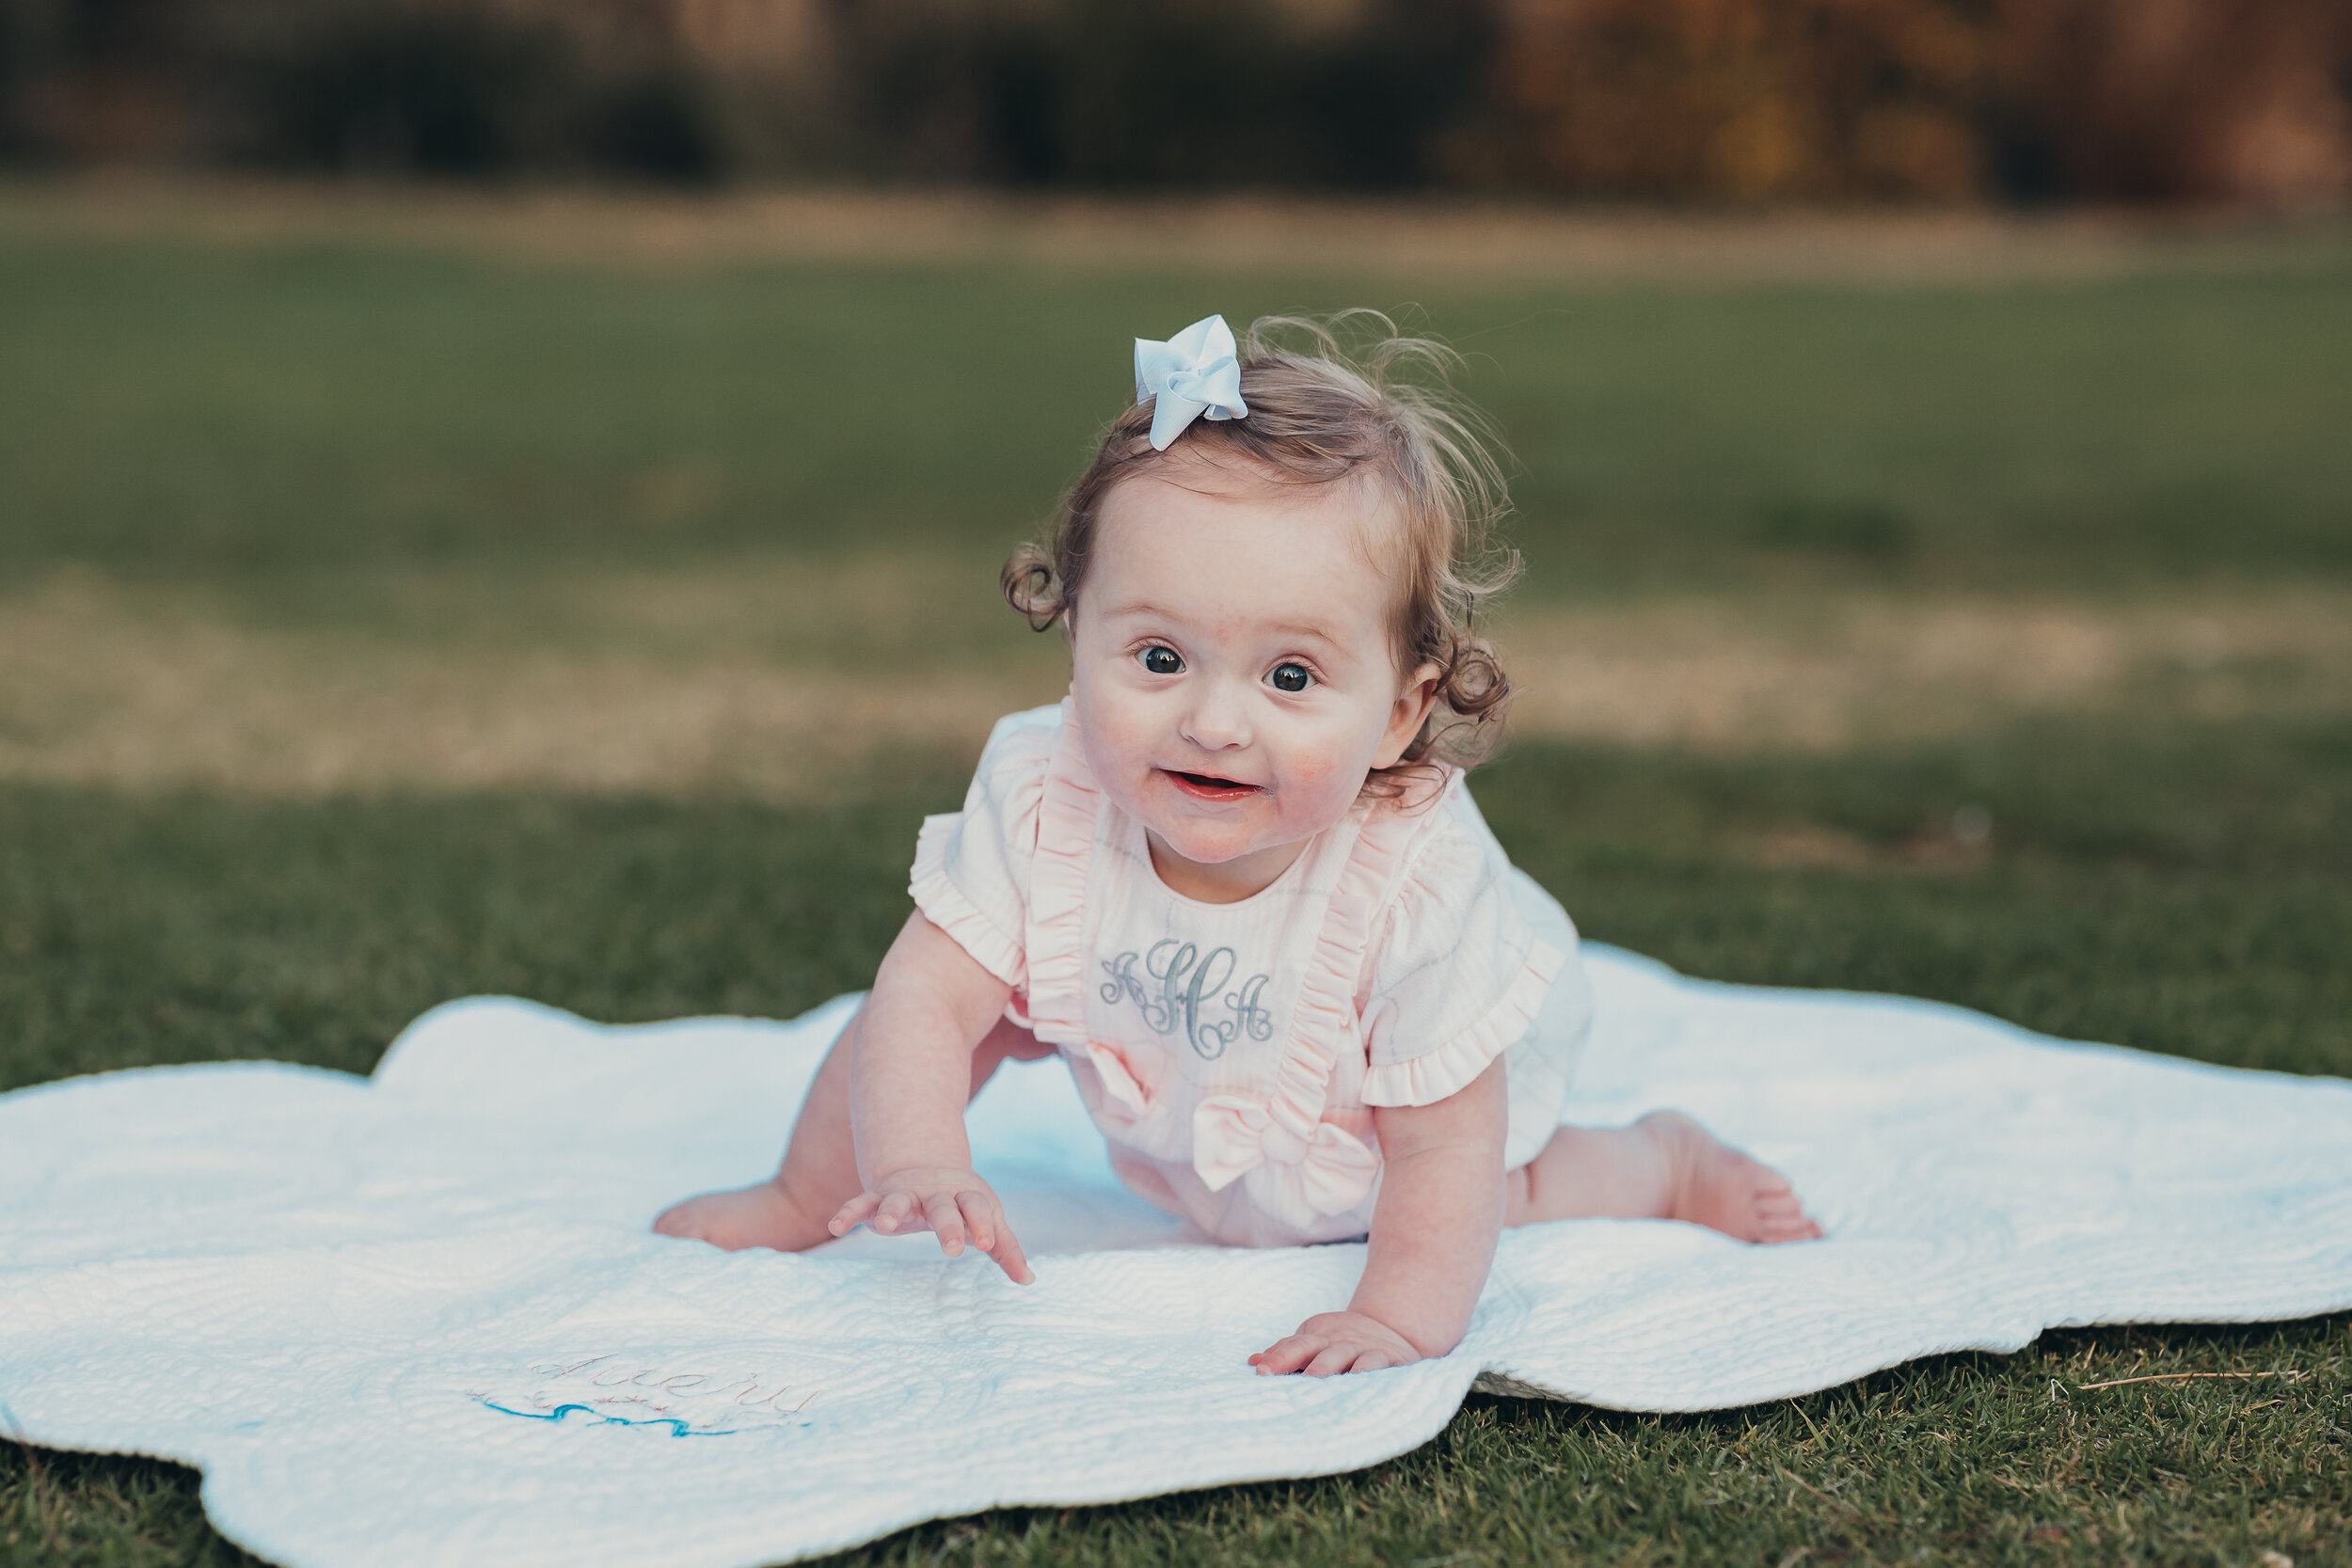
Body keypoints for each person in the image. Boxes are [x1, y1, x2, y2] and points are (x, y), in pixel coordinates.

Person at [656, 312, 1820, 1377]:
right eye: (1158, 658)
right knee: (938, 1005)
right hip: (1175, 1122)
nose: (1214, 721)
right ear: (1073, 636)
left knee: (1514, 1184)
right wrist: (918, 1155)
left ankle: (1663, 1161)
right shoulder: (1044, 793)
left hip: (1367, 1140)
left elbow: (1443, 1144)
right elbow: (921, 997)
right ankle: (805, 1193)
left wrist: (1397, 1318)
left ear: (1402, 712)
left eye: (1291, 675)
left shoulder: (1415, 884)